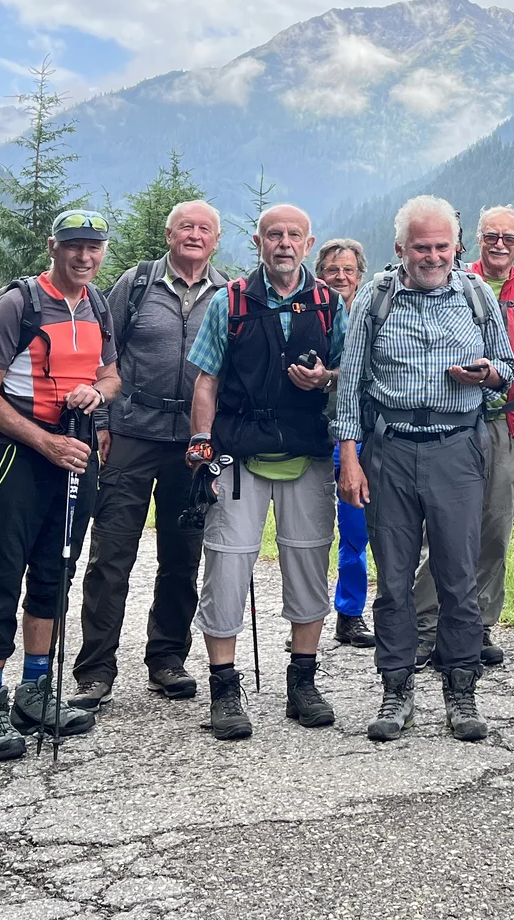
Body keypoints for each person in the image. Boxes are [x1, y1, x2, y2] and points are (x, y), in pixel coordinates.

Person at [335, 195, 514, 744]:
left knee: (458, 576)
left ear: (456, 248)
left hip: (458, 447)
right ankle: (396, 689)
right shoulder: (376, 296)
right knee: (392, 580)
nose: (433, 256)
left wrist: (485, 374)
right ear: (400, 249)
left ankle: (461, 691)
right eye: (422, 247)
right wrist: (349, 457)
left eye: (442, 246)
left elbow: (507, 369)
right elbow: (349, 381)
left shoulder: (476, 294)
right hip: (389, 449)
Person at [0, 207, 121, 762]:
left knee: (56, 571)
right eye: (74, 246)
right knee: (4, 572)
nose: (85, 256)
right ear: (53, 247)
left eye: (94, 247)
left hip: (74, 452)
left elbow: (111, 372)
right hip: (18, 457)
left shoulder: (98, 303)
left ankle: (34, 692)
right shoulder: (19, 304)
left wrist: (96, 394)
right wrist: (44, 442)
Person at [186, 204, 348, 740]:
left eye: (293, 235)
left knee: (307, 562)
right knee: (228, 564)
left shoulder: (328, 304)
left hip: (306, 451)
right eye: (273, 234)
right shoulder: (229, 302)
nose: (283, 243)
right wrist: (200, 442)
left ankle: (302, 681)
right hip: (239, 452)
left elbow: (348, 373)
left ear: (309, 242)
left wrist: (325, 378)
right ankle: (224, 689)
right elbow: (206, 380)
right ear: (257, 241)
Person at [68, 200, 229, 711]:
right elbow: (100, 358)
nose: (194, 235)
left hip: (193, 443)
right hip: (132, 433)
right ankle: (95, 669)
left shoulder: (229, 294)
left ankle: (167, 660)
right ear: (168, 233)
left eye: (204, 229)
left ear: (216, 240)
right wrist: (100, 425)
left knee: (182, 557)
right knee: (111, 556)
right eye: (186, 226)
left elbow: (232, 373)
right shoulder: (136, 285)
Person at [412, 205, 514, 669]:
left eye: (510, 237)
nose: (500, 244)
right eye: (492, 235)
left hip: (509, 424)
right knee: (445, 529)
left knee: (493, 530)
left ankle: (478, 626)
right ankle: (426, 624)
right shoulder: (455, 280)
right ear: (477, 239)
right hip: (457, 420)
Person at [315, 237, 374, 648]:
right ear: (320, 274)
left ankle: (350, 613)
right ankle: (309, 615)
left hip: (363, 436)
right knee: (313, 532)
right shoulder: (310, 312)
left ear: (360, 274)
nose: (341, 277)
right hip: (316, 434)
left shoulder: (375, 313)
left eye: (348, 270)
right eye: (333, 270)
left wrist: (332, 376)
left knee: (357, 528)